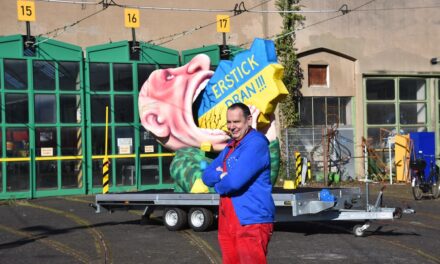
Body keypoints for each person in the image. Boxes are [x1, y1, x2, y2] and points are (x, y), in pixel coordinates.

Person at [202, 102, 275, 264]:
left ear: (249, 120)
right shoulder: (230, 146)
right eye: (229, 122)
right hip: (228, 221)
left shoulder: (256, 144)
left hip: (251, 220)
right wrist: (222, 177)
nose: (232, 126)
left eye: (236, 122)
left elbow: (234, 182)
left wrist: (219, 184)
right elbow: (206, 175)